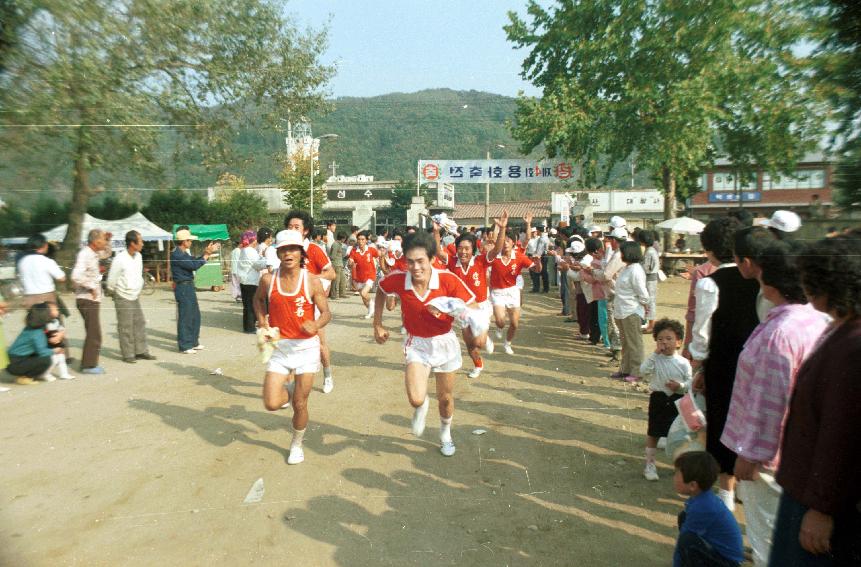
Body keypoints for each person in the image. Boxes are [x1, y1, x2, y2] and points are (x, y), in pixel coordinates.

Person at [718, 240, 828, 566]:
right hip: (799, 452)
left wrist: (750, 457)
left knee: (767, 540)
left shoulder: (780, 333)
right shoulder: (816, 320)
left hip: (771, 460)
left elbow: (770, 402)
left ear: (769, 280)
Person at [769, 235, 861, 567]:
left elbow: (840, 434)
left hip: (819, 500)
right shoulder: (840, 329)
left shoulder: (853, 346)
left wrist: (822, 508)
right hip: (805, 487)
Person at [373, 230, 477, 457]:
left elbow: (473, 306)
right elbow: (381, 290)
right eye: (410, 262)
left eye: (421, 261)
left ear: (432, 259)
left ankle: (445, 433)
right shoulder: (400, 279)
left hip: (444, 343)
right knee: (417, 398)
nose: (415, 268)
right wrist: (377, 324)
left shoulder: (448, 280)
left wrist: (455, 308)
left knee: (445, 399)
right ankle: (421, 407)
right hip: (417, 344)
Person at [689, 217, 759, 511]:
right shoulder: (759, 279)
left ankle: (726, 495)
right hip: (755, 364)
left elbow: (702, 332)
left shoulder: (709, 283)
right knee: (748, 422)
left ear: (709, 250)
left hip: (723, 363)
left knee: (722, 423)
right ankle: (743, 488)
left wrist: (699, 364)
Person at [253, 230, 331, 466]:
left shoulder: (311, 281)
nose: (288, 254)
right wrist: (263, 320)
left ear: (301, 253)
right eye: (283, 249)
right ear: (277, 253)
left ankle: (296, 444)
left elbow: (327, 313)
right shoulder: (268, 280)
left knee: (300, 403)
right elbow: (257, 300)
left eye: (293, 249)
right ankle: (289, 386)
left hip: (306, 348)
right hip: (279, 347)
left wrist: (316, 324)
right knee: (271, 403)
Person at [441, 211, 508, 378]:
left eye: (467, 248)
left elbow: (497, 249)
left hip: (481, 307)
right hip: (463, 309)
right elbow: (436, 250)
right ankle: (478, 365)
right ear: (456, 250)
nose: (463, 252)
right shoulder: (451, 263)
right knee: (470, 344)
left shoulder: (480, 261)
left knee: (478, 341)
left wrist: (502, 229)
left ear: (473, 250)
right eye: (460, 248)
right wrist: (436, 231)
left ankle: (485, 340)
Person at [284, 211, 337, 394]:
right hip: (290, 305)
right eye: (290, 227)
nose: (292, 230)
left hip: (312, 305)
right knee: (288, 345)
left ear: (305, 230)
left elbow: (331, 274)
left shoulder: (313, 249)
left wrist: (311, 278)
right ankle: (289, 387)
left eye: (296, 227)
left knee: (320, 344)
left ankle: (328, 374)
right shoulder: (284, 250)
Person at [640, 319, 691, 481]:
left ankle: (680, 466)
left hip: (677, 399)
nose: (664, 342)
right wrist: (654, 354)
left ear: (678, 342)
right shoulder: (656, 359)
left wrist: (681, 386)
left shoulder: (683, 362)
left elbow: (690, 382)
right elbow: (643, 371)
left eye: (669, 339)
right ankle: (650, 464)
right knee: (654, 432)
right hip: (658, 398)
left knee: (680, 434)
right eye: (660, 339)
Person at [673, 451, 744, 567]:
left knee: (687, 540)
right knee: (684, 517)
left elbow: (683, 541)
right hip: (722, 556)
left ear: (692, 485)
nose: (674, 478)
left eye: (676, 474)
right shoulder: (702, 498)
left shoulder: (702, 507)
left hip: (728, 563)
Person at [106, 230, 156, 363]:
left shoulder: (138, 256)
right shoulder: (120, 259)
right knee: (126, 326)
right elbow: (111, 280)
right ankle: (128, 354)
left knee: (139, 323)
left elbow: (138, 274)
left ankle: (141, 351)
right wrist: (114, 293)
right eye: (140, 241)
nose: (143, 244)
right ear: (132, 243)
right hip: (122, 295)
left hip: (134, 296)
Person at [170, 227, 220, 354]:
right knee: (186, 316)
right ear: (184, 241)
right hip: (183, 286)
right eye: (189, 240)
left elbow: (193, 261)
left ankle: (193, 342)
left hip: (187, 285)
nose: (191, 242)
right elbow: (193, 265)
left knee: (194, 315)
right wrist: (207, 254)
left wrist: (205, 253)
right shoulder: (177, 254)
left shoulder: (182, 253)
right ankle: (185, 345)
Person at [489, 223, 535, 355]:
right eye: (504, 240)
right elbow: (495, 239)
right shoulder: (494, 255)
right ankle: (499, 327)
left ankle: (507, 343)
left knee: (514, 323)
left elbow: (527, 238)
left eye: (508, 241)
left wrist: (527, 224)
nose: (506, 243)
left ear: (514, 243)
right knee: (501, 321)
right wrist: (499, 227)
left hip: (513, 288)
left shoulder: (519, 253)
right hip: (498, 291)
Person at [71, 229, 109, 374]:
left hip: (91, 299)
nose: (105, 242)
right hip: (86, 299)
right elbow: (76, 276)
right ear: (96, 241)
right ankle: (88, 365)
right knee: (94, 333)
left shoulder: (94, 253)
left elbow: (106, 253)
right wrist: (91, 286)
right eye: (103, 240)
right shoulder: (84, 254)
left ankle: (89, 363)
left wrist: (109, 240)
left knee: (93, 331)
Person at [6, 302, 73, 383]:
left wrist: (60, 334)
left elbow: (55, 331)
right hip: (17, 362)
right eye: (49, 311)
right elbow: (42, 352)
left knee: (47, 356)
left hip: (15, 359)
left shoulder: (32, 327)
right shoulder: (37, 332)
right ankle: (26, 377)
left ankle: (29, 374)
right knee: (46, 360)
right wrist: (56, 350)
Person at [613, 241, 650, 382]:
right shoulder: (627, 268)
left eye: (622, 252)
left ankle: (637, 371)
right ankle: (625, 369)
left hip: (631, 311)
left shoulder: (635, 270)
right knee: (626, 343)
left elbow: (643, 293)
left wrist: (644, 305)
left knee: (634, 343)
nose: (620, 255)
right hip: (622, 310)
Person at [17, 234, 67, 308]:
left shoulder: (22, 261)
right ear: (44, 245)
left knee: (33, 318)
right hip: (46, 297)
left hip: (29, 297)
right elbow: (62, 278)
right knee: (52, 318)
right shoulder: (47, 261)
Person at [236, 230, 267, 334]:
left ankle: (248, 327)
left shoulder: (244, 250)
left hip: (244, 280)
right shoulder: (250, 251)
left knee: (247, 305)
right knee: (251, 305)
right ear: (253, 240)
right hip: (250, 281)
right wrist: (265, 259)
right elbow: (258, 265)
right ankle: (250, 328)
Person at [348, 231, 380, 320]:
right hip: (358, 277)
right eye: (359, 239)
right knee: (363, 297)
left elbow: (379, 256)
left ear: (366, 240)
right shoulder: (354, 251)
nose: (360, 241)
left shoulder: (371, 250)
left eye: (362, 239)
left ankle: (372, 306)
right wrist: (350, 263)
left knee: (363, 293)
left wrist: (383, 266)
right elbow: (350, 264)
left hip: (370, 276)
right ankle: (371, 309)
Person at [639, 230, 660, 333]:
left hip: (650, 279)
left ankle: (651, 325)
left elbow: (647, 268)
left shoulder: (650, 252)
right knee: (650, 301)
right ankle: (650, 323)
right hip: (650, 278)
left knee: (650, 301)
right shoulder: (650, 250)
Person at [329, 231, 348, 300]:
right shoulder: (336, 244)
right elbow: (332, 256)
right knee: (336, 281)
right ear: (343, 238)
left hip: (340, 264)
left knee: (343, 279)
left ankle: (342, 293)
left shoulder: (339, 244)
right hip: (336, 264)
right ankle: (334, 295)